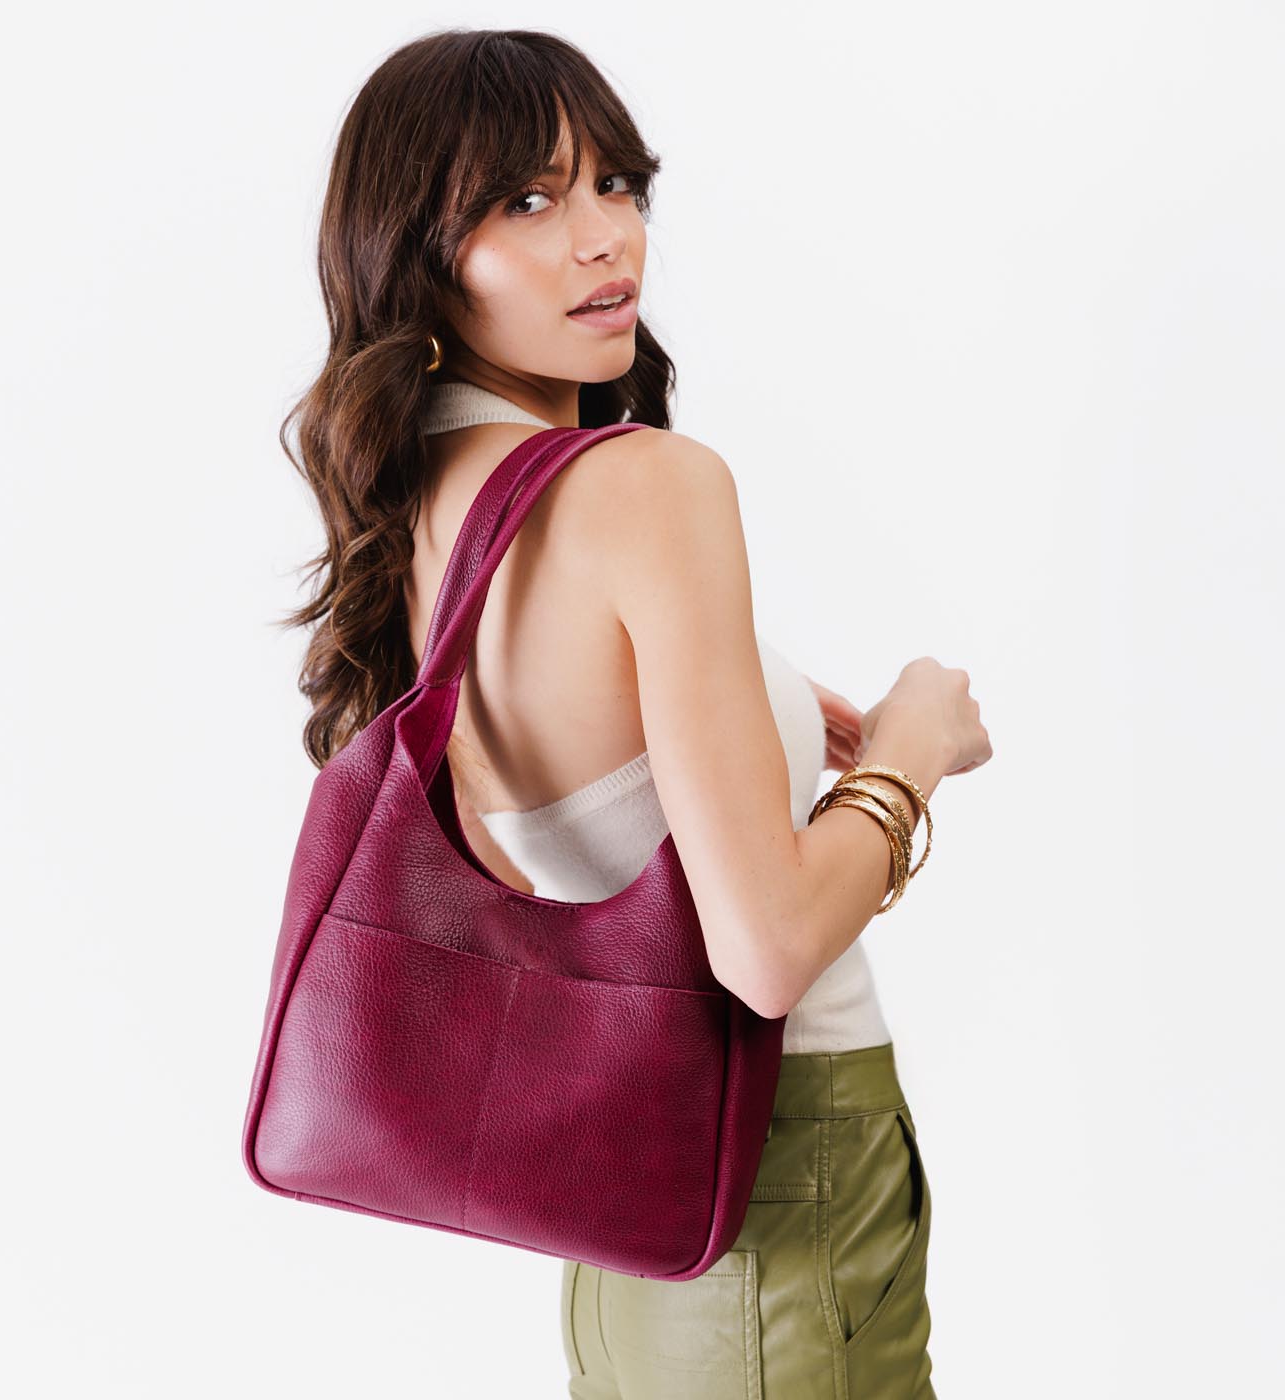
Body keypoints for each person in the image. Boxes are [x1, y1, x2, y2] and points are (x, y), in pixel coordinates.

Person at [277, 26, 993, 1400]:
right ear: (418, 255)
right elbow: (766, 954)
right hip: (775, 1186)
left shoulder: (423, 507)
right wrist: (912, 749)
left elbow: (593, 789)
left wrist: (761, 709)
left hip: (631, 1235)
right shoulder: (644, 485)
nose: (604, 236)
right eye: (526, 200)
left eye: (618, 184)